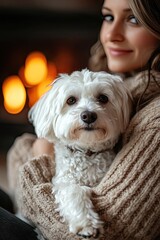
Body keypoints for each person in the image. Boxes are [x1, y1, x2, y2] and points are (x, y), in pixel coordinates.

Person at [5, 0, 160, 239]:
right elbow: (21, 151)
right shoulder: (124, 87)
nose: (112, 35)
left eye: (133, 19)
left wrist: (38, 155)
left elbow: (93, 234)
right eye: (108, 17)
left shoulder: (152, 120)